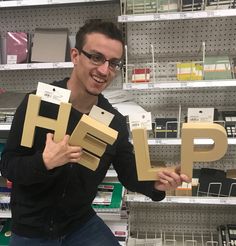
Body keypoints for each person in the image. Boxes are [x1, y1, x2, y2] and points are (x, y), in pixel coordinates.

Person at [0, 20, 191, 246]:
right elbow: (9, 164)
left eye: (113, 63)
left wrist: (155, 185)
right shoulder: (39, 102)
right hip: (31, 229)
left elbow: (128, 172)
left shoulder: (113, 121)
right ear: (75, 56)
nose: (104, 70)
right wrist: (44, 162)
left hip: (79, 224)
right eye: (96, 57)